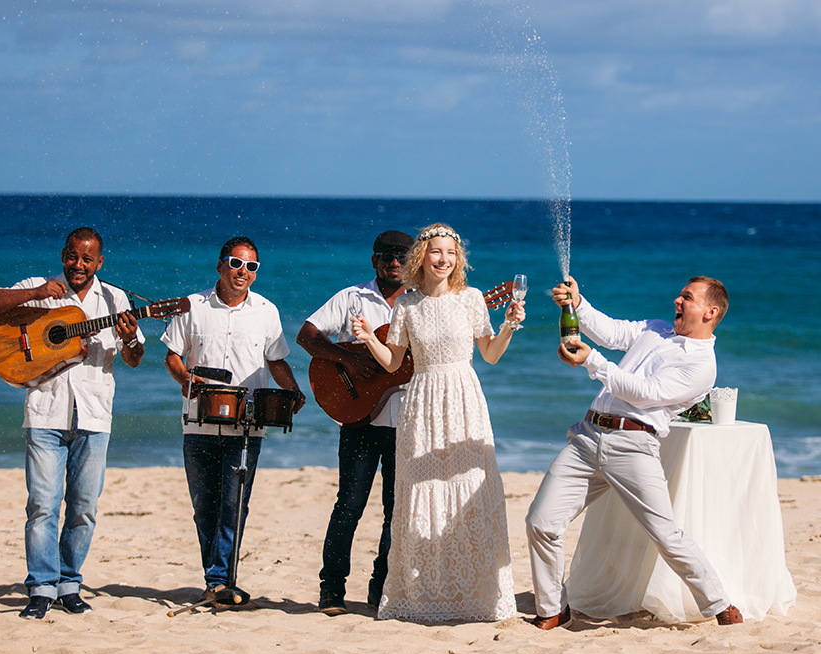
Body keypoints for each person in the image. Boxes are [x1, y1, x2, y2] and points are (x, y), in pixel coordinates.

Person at [525, 275, 744, 629]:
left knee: (666, 535)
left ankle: (720, 604)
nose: (677, 299)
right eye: (680, 294)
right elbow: (611, 332)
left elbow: (646, 393)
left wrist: (592, 362)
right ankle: (553, 609)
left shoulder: (703, 366)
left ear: (710, 311)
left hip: (634, 448)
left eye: (687, 297)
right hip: (587, 437)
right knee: (541, 523)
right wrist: (577, 305)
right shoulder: (656, 329)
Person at [352, 223, 524, 622]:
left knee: (469, 491)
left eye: (450, 253)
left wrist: (510, 326)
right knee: (421, 494)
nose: (443, 259)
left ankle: (474, 595)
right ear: (422, 257)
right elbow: (394, 362)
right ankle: (425, 594)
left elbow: (491, 354)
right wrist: (366, 337)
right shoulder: (407, 305)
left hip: (463, 398)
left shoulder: (472, 299)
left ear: (457, 259)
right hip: (423, 401)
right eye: (435, 252)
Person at [0, 227, 144, 620]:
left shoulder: (115, 300)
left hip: (94, 415)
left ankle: (69, 584)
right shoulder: (38, 287)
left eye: (88, 259)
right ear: (63, 254)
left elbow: (134, 358)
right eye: (73, 256)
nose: (79, 265)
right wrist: (34, 295)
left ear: (100, 262)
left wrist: (132, 338)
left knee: (83, 506)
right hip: (45, 412)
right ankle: (40, 587)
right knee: (42, 506)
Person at [162, 236, 304, 606]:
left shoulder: (266, 311)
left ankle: (218, 579)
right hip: (197, 423)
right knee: (204, 505)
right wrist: (186, 381)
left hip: (247, 425)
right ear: (221, 265)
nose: (244, 272)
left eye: (251, 266)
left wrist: (294, 391)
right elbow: (173, 356)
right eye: (236, 263)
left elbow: (276, 361)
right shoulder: (192, 306)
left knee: (234, 503)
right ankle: (218, 578)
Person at [296, 230, 414, 616]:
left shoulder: (423, 302)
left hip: (409, 423)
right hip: (360, 416)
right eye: (386, 255)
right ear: (374, 261)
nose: (393, 262)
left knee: (396, 512)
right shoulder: (351, 298)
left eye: (401, 255)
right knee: (348, 505)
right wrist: (348, 360)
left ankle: (380, 590)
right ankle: (331, 590)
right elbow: (307, 334)